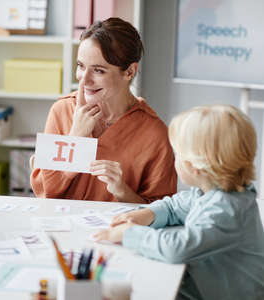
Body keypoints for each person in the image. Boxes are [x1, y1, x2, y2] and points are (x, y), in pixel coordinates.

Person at [95, 105, 264, 299]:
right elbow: (174, 206)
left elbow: (176, 249)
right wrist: (148, 214)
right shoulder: (211, 192)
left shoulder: (227, 210)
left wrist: (128, 233)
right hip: (203, 285)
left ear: (193, 167)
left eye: (178, 154)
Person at [30, 18, 177, 203]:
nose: (84, 80)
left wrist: (122, 191)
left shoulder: (155, 133)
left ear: (129, 72)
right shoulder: (61, 111)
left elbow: (164, 211)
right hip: (61, 227)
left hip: (117, 230)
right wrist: (74, 139)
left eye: (98, 70)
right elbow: (44, 193)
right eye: (80, 66)